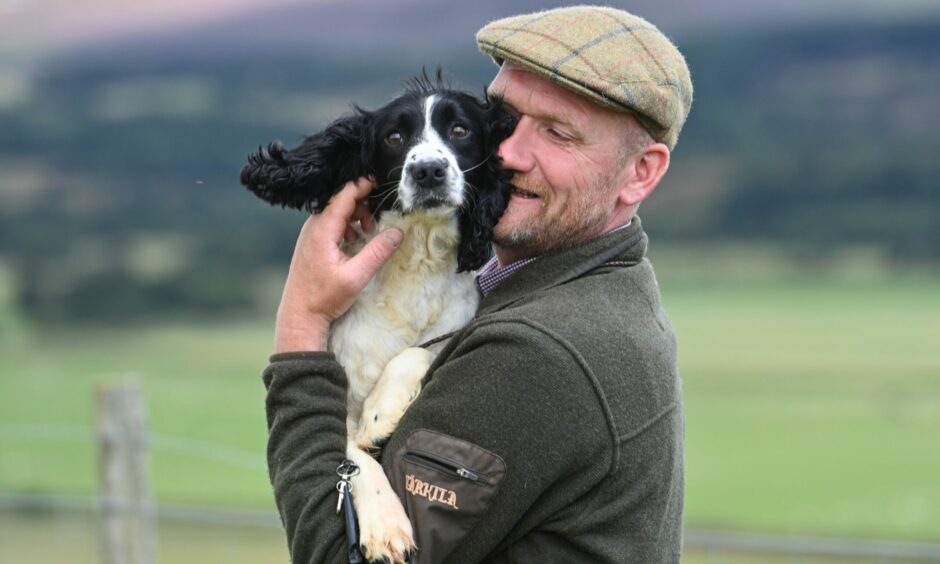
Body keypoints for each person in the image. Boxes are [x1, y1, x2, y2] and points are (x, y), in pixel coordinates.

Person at [263, 5, 693, 563]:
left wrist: (302, 320)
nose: (508, 154)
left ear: (642, 173)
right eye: (505, 124)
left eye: (559, 134)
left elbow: (336, 555)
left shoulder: (537, 351)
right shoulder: (587, 286)